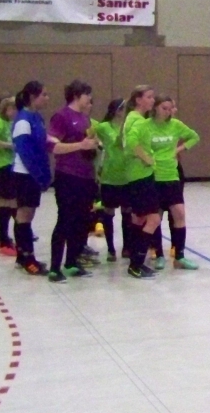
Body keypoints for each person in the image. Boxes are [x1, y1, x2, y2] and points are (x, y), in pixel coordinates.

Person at [47, 80, 101, 281]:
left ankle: (71, 261)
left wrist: (93, 146)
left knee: (81, 221)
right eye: (87, 94)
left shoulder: (85, 118)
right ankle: (55, 268)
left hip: (86, 175)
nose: (90, 98)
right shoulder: (62, 116)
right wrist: (80, 145)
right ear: (77, 95)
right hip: (68, 175)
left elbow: (86, 145)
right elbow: (52, 146)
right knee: (65, 219)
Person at [143, 95, 200, 269]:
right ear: (155, 108)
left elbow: (194, 137)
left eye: (170, 108)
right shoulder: (146, 126)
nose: (168, 112)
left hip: (171, 176)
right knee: (156, 217)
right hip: (154, 176)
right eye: (164, 108)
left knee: (179, 214)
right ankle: (159, 254)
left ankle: (179, 256)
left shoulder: (176, 125)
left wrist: (179, 149)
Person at [122, 86, 163, 278]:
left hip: (135, 175)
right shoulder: (138, 120)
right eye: (149, 97)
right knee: (153, 219)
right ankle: (136, 264)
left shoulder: (132, 118)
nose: (153, 100)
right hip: (141, 175)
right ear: (138, 100)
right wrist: (148, 159)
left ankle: (135, 261)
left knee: (139, 219)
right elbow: (132, 142)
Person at [94, 99, 131, 263]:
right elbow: (116, 141)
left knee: (127, 212)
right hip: (109, 176)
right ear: (115, 110)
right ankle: (110, 249)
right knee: (108, 213)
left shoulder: (129, 126)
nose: (124, 111)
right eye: (122, 108)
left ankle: (127, 247)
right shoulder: (104, 127)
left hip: (126, 175)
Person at [0, 96, 16, 256]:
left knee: (11, 201)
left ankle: (6, 236)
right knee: (6, 201)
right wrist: (10, 145)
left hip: (10, 164)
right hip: (0, 165)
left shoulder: (9, 122)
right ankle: (3, 239)